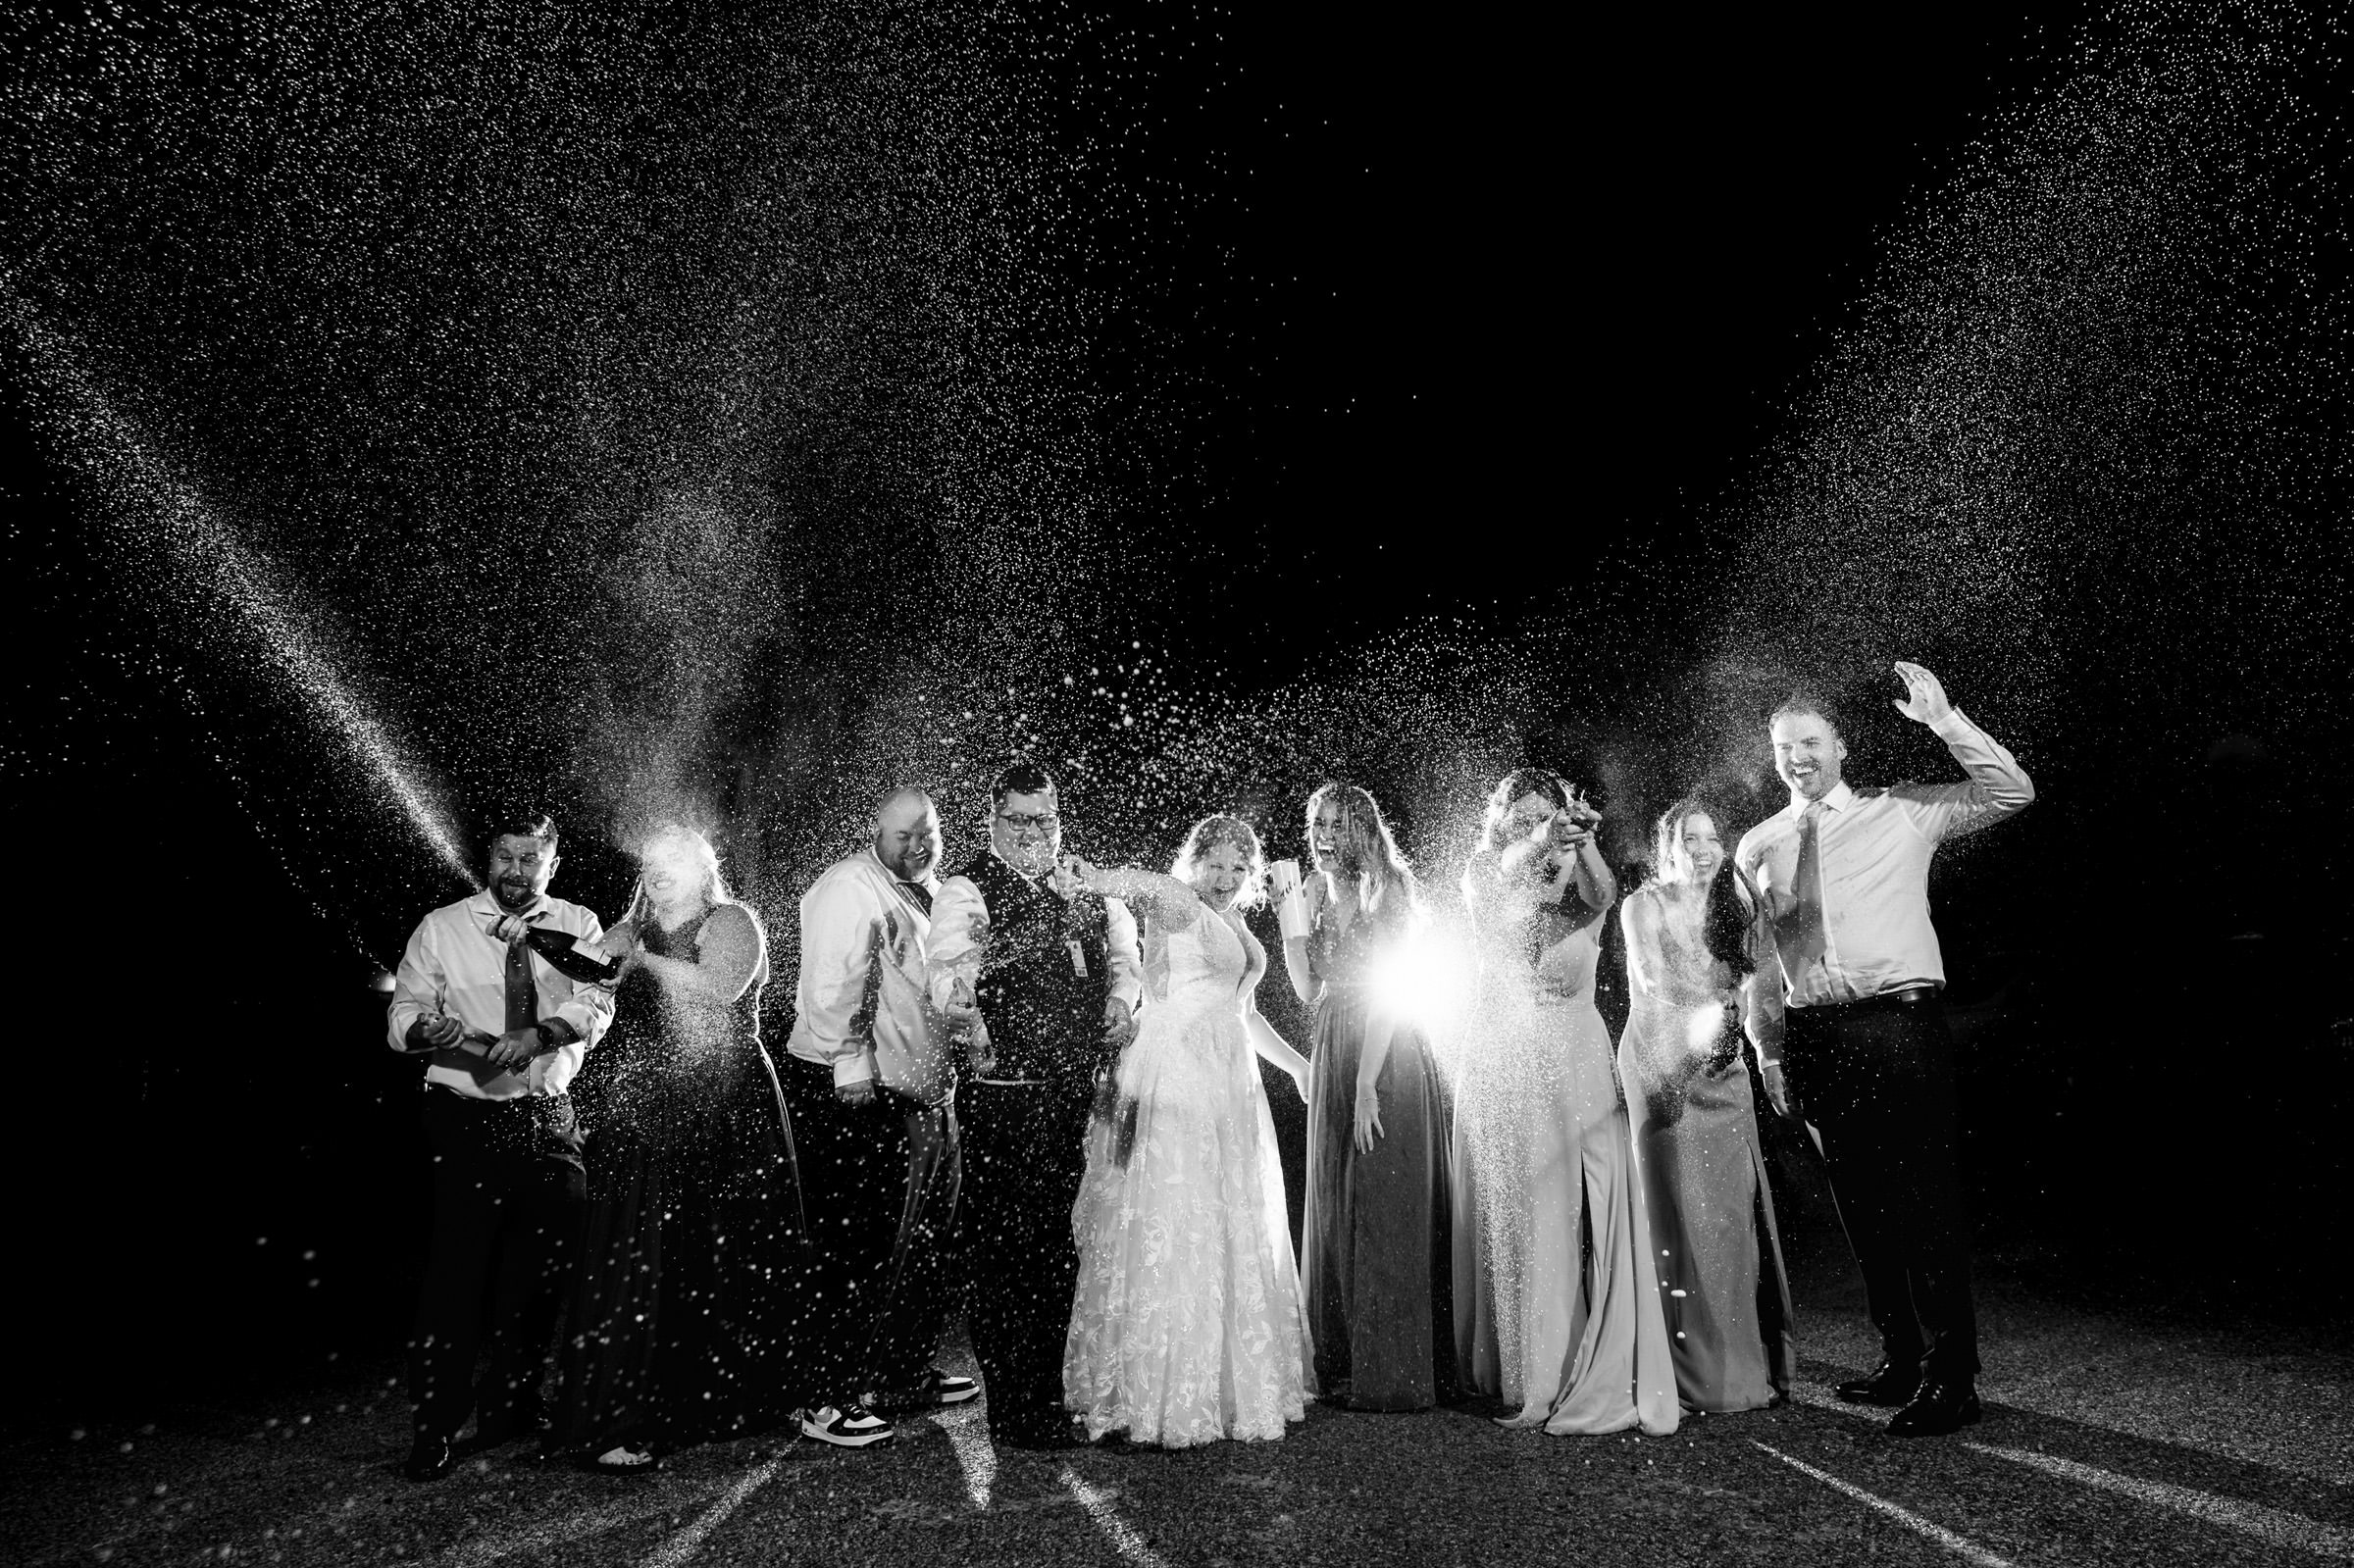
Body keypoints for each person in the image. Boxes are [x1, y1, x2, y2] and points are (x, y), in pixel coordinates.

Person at [1735, 662, 2033, 1438]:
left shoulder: (1900, 809)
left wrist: (1944, 719)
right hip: (1818, 1036)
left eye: (1810, 741)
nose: (1797, 757)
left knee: (1924, 1202)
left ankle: (1952, 1377)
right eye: (1783, 746)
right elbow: (1761, 963)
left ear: (1841, 747)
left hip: (1899, 1027)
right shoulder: (1759, 844)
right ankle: (1900, 1357)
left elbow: (2011, 791)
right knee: (1862, 1207)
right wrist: (1770, 1051)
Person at [544, 824, 809, 1471]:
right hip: (655, 1098)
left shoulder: (731, 920)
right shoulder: (630, 928)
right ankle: (638, 1408)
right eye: (650, 861)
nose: (657, 869)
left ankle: (736, 1397)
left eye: (672, 860)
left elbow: (717, 988)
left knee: (727, 1244)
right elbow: (591, 971)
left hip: (727, 1099)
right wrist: (531, 938)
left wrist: (643, 963)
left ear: (701, 867)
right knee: (648, 1250)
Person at [1062, 815, 1315, 1447]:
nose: (1226, 878)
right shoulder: (1179, 902)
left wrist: (1297, 1067)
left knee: (1224, 1216)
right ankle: (1164, 1391)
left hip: (1227, 1076)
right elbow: (1140, 882)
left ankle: (1223, 1382)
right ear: (1194, 863)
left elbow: (1243, 1012)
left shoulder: (1236, 922)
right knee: (1177, 1214)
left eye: (1239, 867)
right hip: (1177, 1069)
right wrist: (1093, 876)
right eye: (1215, 864)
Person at [385, 810, 615, 1482]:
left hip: (548, 1120)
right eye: (504, 857)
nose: (514, 871)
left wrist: (540, 1035)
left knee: (539, 1278)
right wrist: (424, 1028)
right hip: (465, 1121)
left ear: (553, 863)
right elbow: (401, 1016)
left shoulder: (578, 924)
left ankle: (512, 1405)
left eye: (529, 858)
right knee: (455, 1280)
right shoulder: (442, 926)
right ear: (488, 857)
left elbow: (598, 1002)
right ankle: (434, 1425)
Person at [1451, 771, 1677, 1438]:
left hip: (1577, 1053)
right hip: (1508, 1055)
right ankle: (1535, 1376)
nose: (1533, 829)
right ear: (1501, 824)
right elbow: (1512, 886)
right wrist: (1546, 834)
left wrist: (1580, 840)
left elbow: (1603, 895)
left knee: (1589, 1206)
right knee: (1527, 1213)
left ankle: (1590, 1354)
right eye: (1520, 819)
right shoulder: (1485, 871)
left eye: (1543, 815)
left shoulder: (1577, 877)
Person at [927, 762, 1142, 1450]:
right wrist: (964, 1012)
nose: (1031, 832)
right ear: (993, 819)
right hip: (1005, 1098)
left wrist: (1121, 1002)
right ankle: (1014, 1409)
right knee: (1007, 1250)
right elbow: (947, 972)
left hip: (1072, 1093)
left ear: (1058, 820)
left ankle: (1046, 1394)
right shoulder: (967, 889)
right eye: (1017, 819)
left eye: (1043, 819)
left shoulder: (1081, 885)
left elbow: (1125, 960)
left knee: (1054, 1247)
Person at [784, 786, 975, 1449]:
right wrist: (848, 1064)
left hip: (926, 1094)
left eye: (928, 832)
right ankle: (825, 1396)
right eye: (903, 835)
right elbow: (829, 982)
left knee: (924, 1244)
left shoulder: (934, 889)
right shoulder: (850, 885)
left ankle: (898, 1374)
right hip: (865, 1095)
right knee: (855, 1247)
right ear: (875, 832)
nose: (918, 845)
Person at [1274, 783, 1453, 1411]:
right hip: (1334, 1043)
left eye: (1338, 824)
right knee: (1335, 1199)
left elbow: (1390, 988)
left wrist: (1367, 1085)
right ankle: (1345, 1365)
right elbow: (1307, 990)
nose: (1324, 836)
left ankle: (1395, 1372)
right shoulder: (1312, 890)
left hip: (1386, 1051)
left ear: (1363, 831)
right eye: (1318, 823)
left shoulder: (1390, 889)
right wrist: (1291, 925)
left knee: (1383, 1198)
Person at [1618, 799, 1795, 1414]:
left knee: (1730, 1218)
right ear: (1666, 847)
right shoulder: (1642, 905)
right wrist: (1714, 1010)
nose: (1703, 850)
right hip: (1661, 1065)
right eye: (1689, 839)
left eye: (1712, 838)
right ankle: (1682, 1365)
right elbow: (1651, 979)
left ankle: (1743, 1363)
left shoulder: (1736, 904)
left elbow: (1762, 985)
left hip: (1723, 1068)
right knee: (1678, 1214)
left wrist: (1765, 1054)